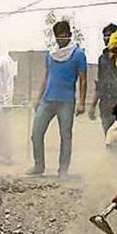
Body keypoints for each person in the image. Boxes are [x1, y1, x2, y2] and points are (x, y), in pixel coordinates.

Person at [28, 21, 87, 177]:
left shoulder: (78, 54)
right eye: (58, 37)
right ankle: (38, 165)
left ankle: (63, 170)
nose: (61, 40)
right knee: (36, 133)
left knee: (65, 136)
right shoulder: (51, 54)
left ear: (69, 35)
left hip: (66, 101)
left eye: (64, 36)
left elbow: (83, 79)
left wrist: (81, 102)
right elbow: (46, 76)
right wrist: (38, 97)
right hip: (47, 99)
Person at [89, 24, 117, 134]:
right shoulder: (102, 59)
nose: (107, 38)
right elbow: (100, 84)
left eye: (110, 35)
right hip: (105, 104)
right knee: (108, 136)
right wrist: (93, 106)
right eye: (105, 36)